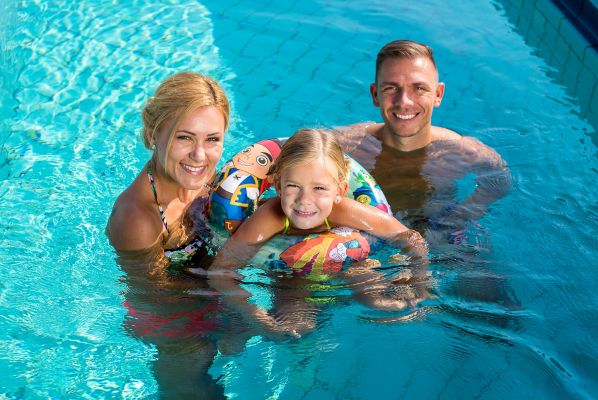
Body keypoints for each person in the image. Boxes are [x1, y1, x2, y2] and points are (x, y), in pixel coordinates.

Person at [206, 129, 430, 337]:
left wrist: (419, 280)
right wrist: (255, 315)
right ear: (279, 187)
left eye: (319, 188)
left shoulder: (346, 211)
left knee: (379, 303)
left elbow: (410, 238)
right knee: (296, 329)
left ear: (340, 190)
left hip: (350, 266)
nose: (305, 200)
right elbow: (221, 271)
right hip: (292, 275)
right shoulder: (269, 217)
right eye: (294, 186)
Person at [334, 40, 511, 240]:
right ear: (375, 95)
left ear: (438, 94)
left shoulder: (462, 151)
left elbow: (500, 179)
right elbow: (302, 147)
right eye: (391, 88)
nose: (404, 102)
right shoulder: (348, 144)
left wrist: (460, 216)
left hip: (437, 231)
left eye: (418, 88)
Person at [106, 72, 229, 274]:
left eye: (212, 139)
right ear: (152, 135)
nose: (199, 156)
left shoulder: (208, 175)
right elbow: (154, 292)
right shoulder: (138, 220)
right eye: (184, 138)